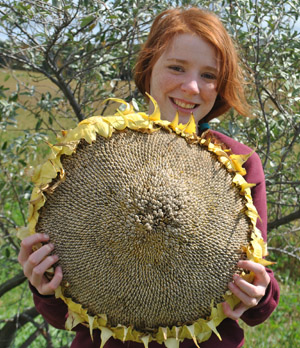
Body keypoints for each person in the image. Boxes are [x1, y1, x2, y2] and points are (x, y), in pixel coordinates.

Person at [18, 7, 280, 348]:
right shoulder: (93, 151)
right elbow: (65, 316)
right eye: (176, 67)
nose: (191, 87)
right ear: (149, 66)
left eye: (209, 75)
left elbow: (255, 302)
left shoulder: (240, 164)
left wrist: (259, 293)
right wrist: (44, 286)